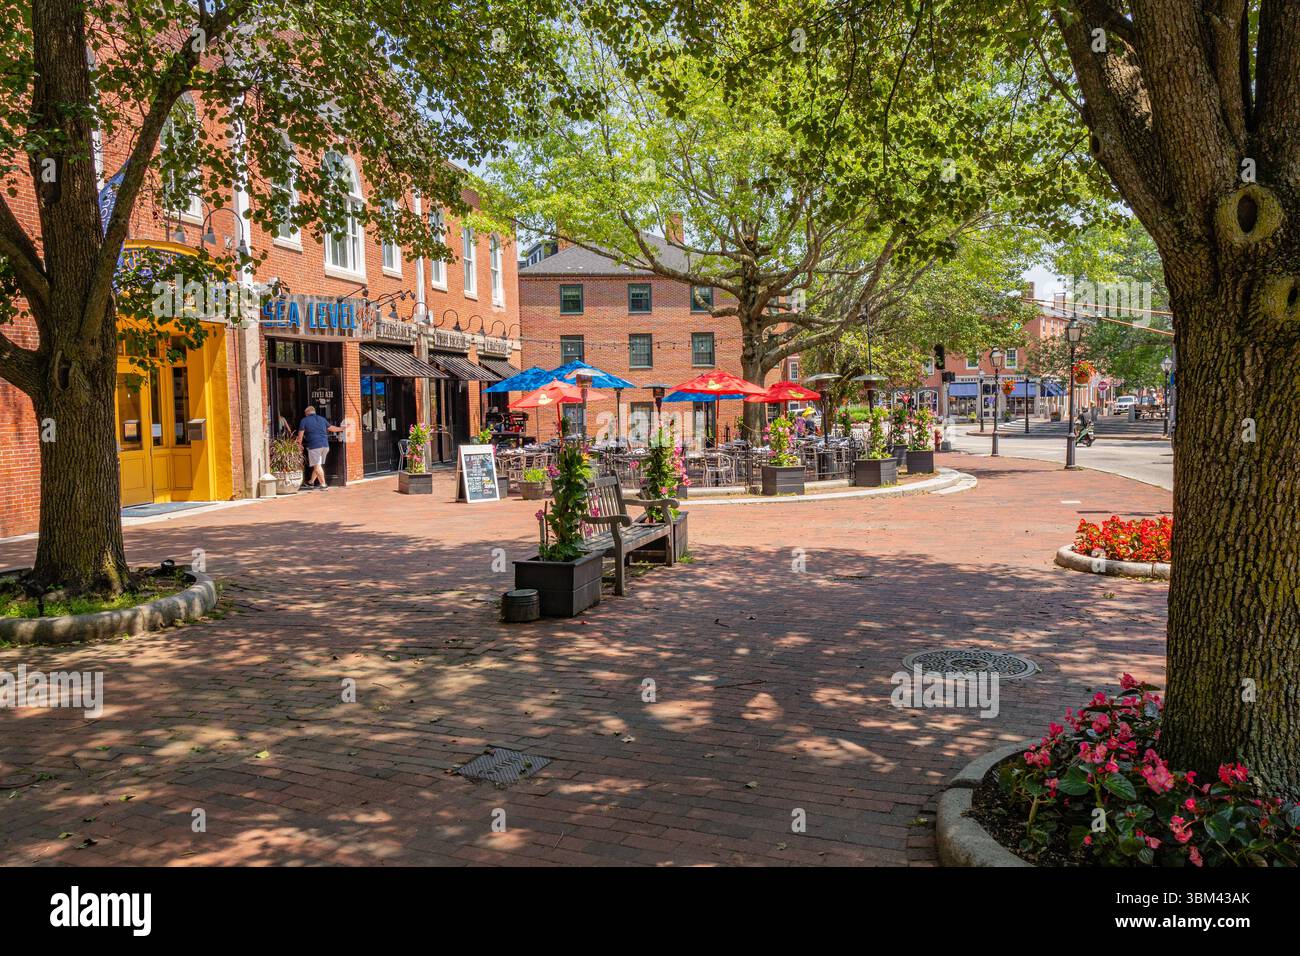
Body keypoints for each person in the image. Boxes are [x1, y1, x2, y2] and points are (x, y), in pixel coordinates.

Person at [296, 405, 343, 489]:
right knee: (317, 465)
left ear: (307, 413)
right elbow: (332, 428)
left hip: (314, 446)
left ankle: (323, 484)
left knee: (317, 465)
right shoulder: (322, 419)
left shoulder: (304, 420)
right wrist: (343, 428)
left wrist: (299, 444)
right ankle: (311, 482)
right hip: (325, 446)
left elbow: (300, 435)